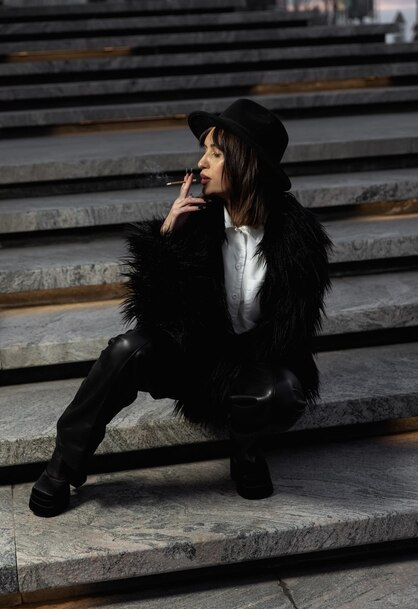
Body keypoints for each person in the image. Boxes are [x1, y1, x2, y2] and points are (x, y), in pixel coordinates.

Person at [29, 99, 332, 517]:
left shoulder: (298, 240)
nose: (201, 163)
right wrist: (167, 240)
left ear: (246, 163)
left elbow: (290, 333)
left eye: (215, 153)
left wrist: (231, 371)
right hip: (195, 358)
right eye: (204, 151)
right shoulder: (196, 222)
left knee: (277, 391)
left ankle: (245, 453)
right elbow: (156, 320)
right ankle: (64, 465)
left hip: (253, 365)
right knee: (126, 350)